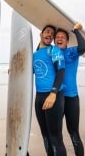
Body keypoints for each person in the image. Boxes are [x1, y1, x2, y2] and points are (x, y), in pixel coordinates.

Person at [54, 23, 85, 156]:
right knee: (56, 134)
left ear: (67, 41)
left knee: (73, 132)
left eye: (63, 37)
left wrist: (76, 31)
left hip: (71, 98)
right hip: (56, 97)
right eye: (57, 37)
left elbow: (84, 46)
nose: (60, 38)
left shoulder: (72, 52)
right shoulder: (52, 53)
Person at [33, 25, 67, 156]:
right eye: (47, 32)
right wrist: (14, 70)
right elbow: (28, 72)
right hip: (39, 97)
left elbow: (61, 71)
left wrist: (53, 93)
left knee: (55, 137)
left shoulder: (54, 50)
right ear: (41, 34)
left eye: (52, 34)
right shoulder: (34, 54)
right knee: (45, 136)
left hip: (54, 95)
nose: (50, 35)